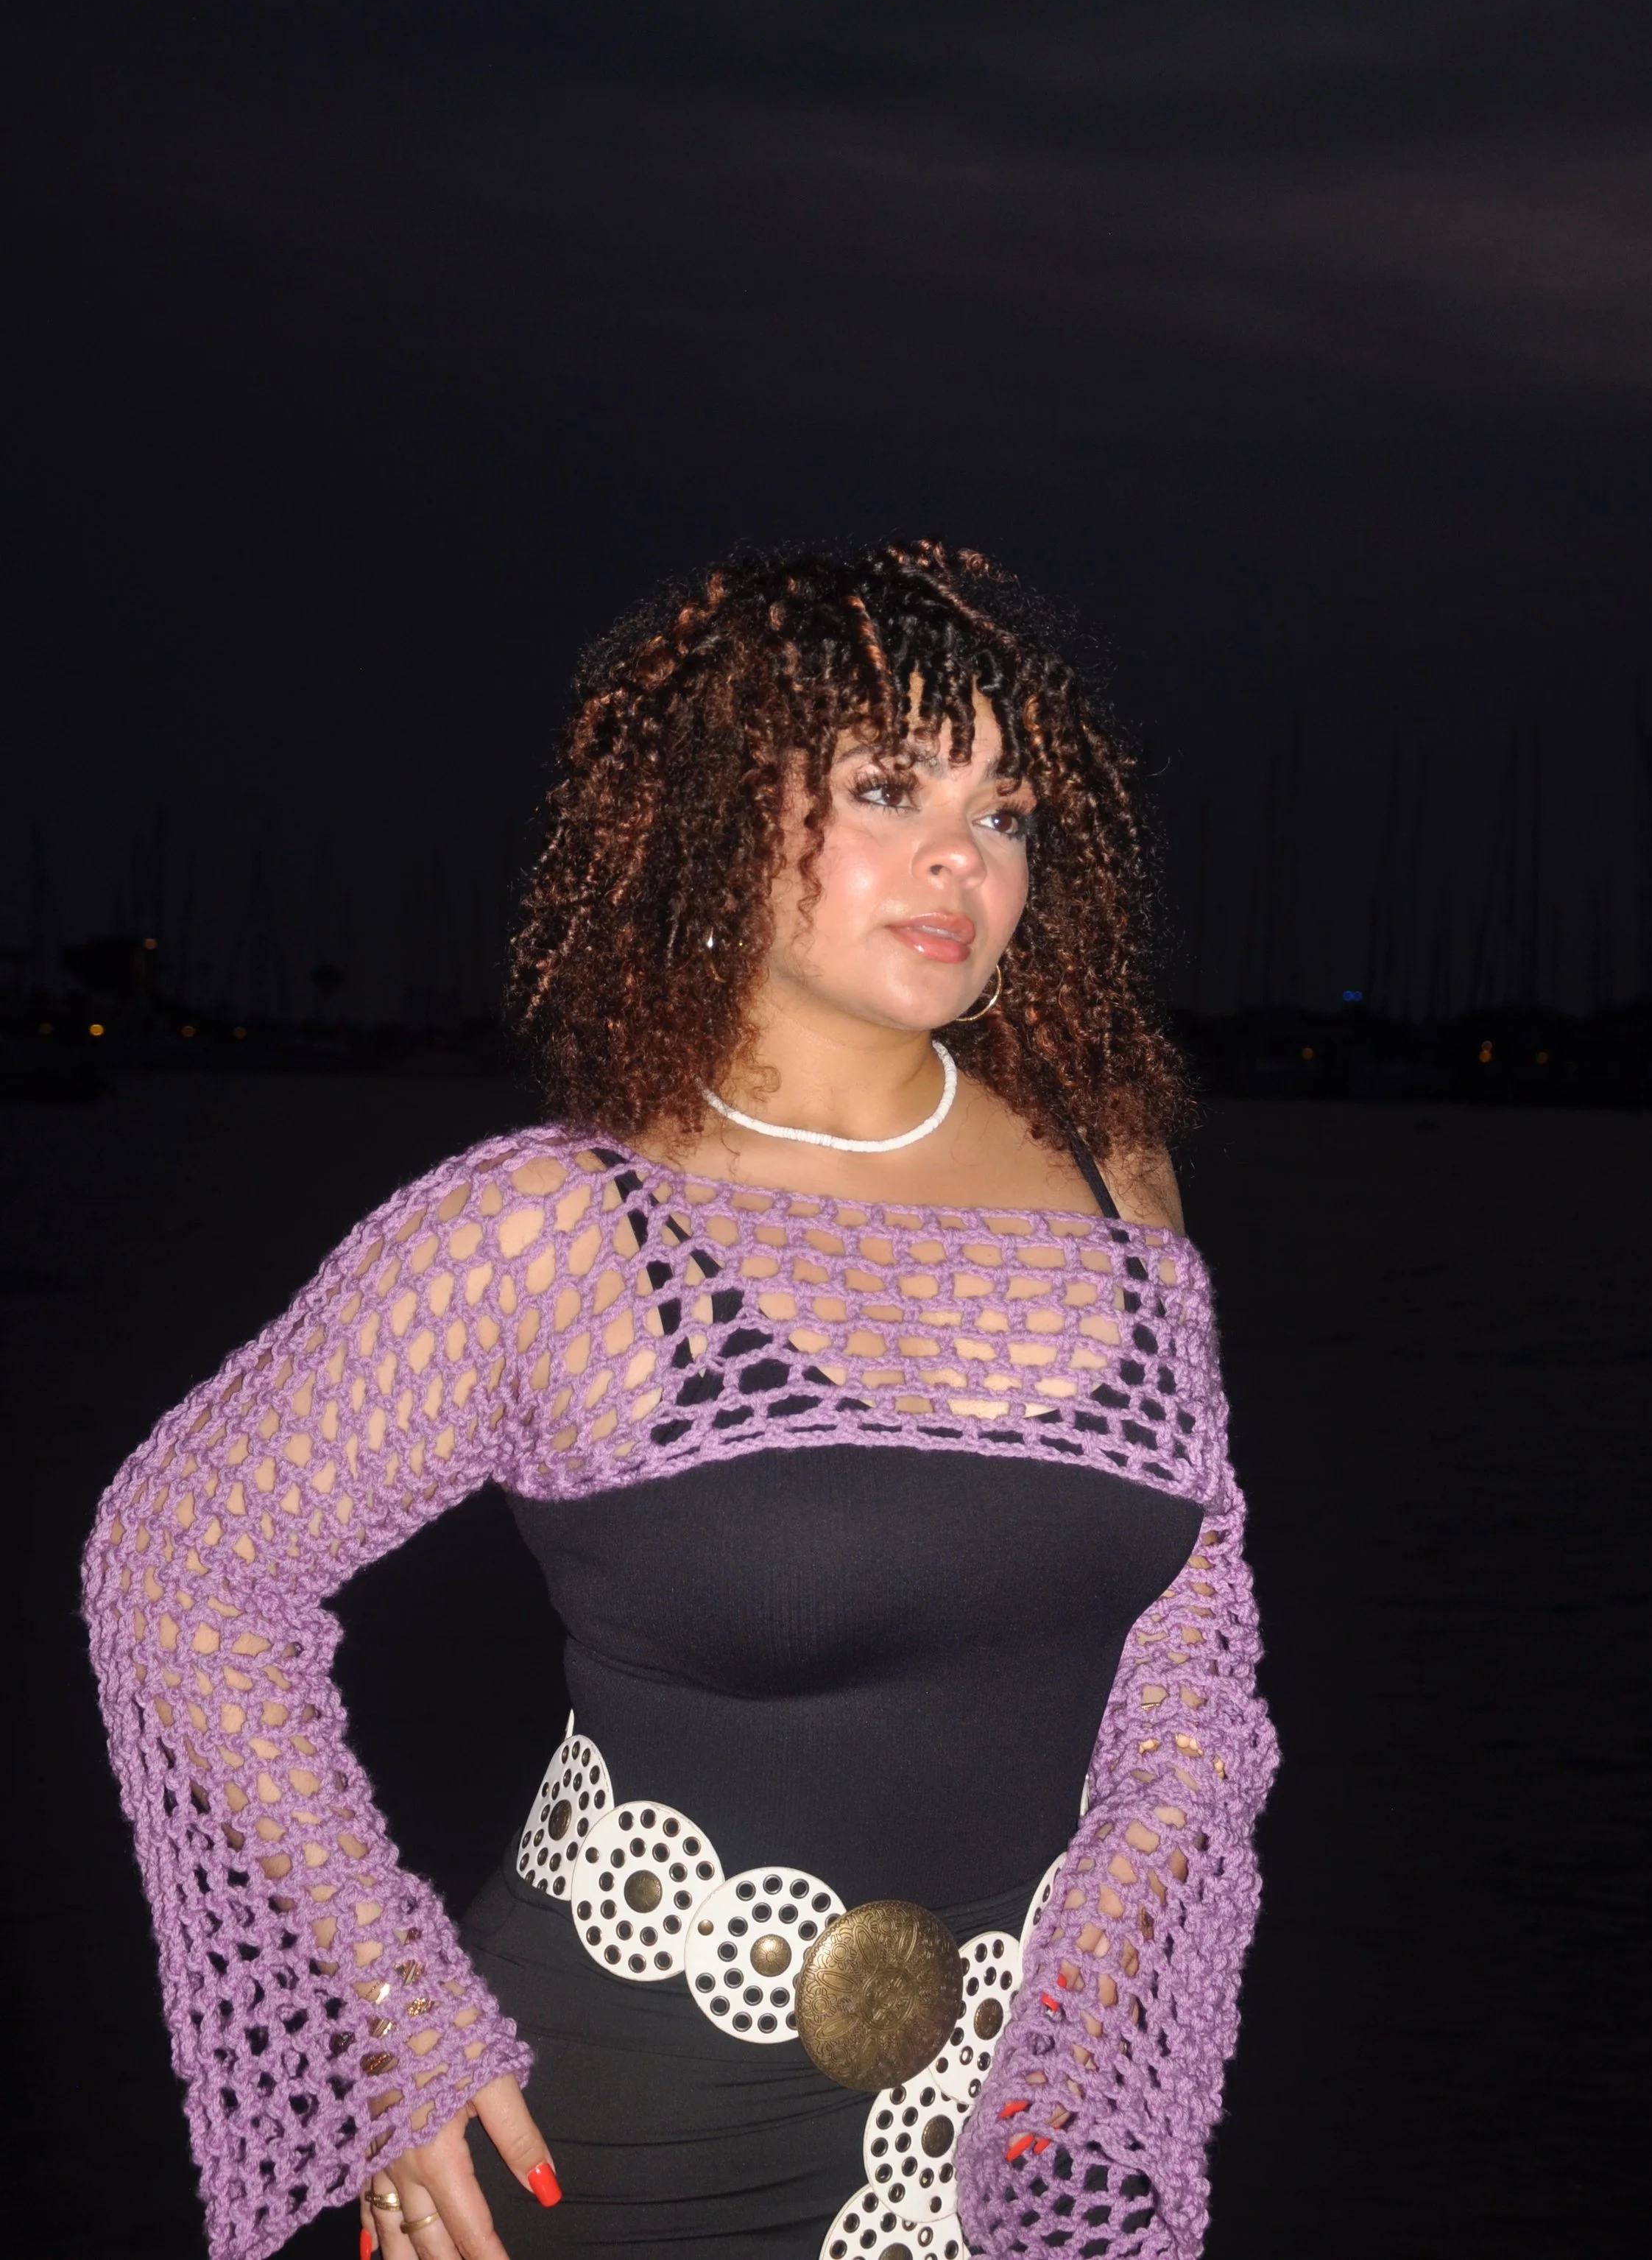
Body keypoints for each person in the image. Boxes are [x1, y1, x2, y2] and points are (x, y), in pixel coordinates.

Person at [85, 541, 1276, 2260]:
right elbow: (181, 1570)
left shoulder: (1113, 1178)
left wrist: (1115, 1969)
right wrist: (384, 2025)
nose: (961, 853)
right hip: (621, 2134)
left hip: (1011, 2119)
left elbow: (1189, 1625)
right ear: (718, 822)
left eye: (1006, 810)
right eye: (889, 789)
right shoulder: (557, 1227)